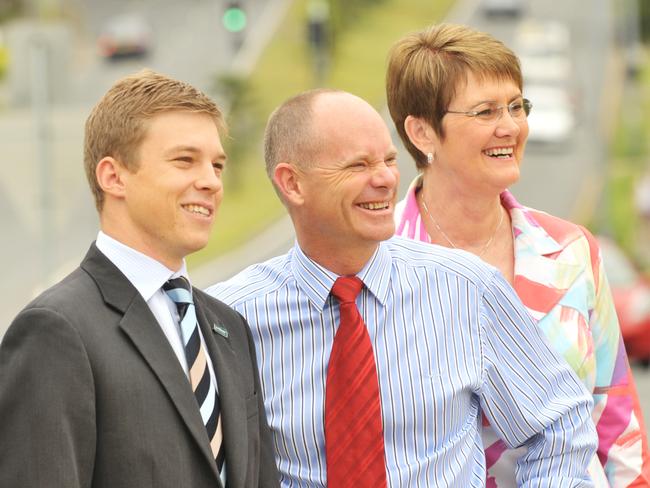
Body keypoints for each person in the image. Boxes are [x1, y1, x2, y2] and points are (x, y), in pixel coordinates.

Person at [207, 88, 598, 487]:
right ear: (292, 184)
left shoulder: (468, 290)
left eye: (390, 160)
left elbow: (559, 425)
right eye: (358, 165)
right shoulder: (229, 318)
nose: (385, 179)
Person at [385, 23, 650, 486]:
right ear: (422, 132)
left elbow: (615, 417)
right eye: (486, 111)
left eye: (515, 106)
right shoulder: (377, 261)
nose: (510, 126)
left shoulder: (571, 250)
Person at [0, 70, 279, 488]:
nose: (211, 181)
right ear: (113, 177)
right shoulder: (55, 330)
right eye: (185, 160)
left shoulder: (229, 327)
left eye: (217, 164)